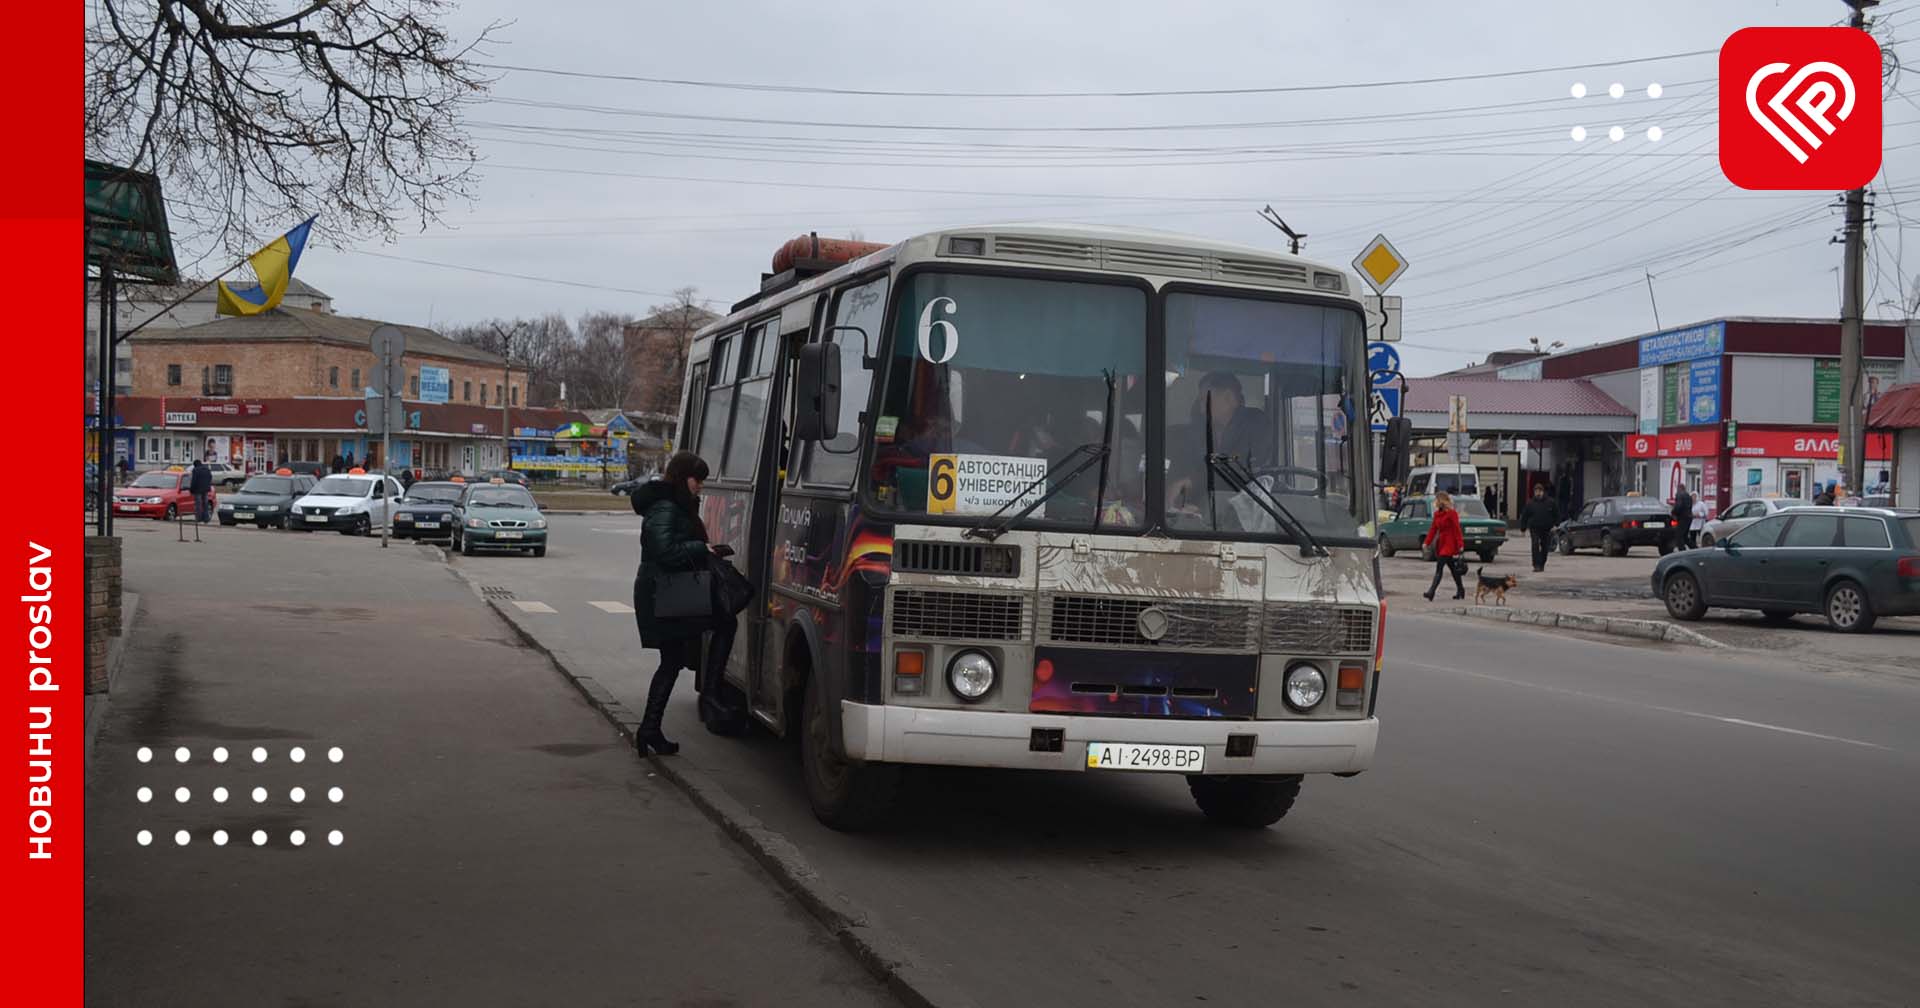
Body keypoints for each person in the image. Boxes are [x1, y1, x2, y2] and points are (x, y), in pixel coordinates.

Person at [630, 452, 734, 756]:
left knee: (672, 662)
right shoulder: (665, 505)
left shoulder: (675, 503)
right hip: (662, 594)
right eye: (697, 479)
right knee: (725, 622)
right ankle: (710, 693)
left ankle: (649, 730)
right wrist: (700, 547)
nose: (700, 485)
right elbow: (664, 550)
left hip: (668, 591)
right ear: (682, 477)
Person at [1169, 371, 1272, 510]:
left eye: (1204, 400)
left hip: (1244, 511)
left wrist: (1192, 481)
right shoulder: (1198, 432)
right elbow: (1184, 466)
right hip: (1200, 513)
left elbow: (1240, 466)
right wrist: (1179, 497)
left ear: (1228, 397)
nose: (1201, 409)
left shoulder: (1256, 423)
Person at [1423, 490, 1467, 601]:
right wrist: (1426, 543)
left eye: (1436, 500)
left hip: (1450, 543)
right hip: (1442, 543)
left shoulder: (1452, 513)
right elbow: (1433, 529)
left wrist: (1460, 544)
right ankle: (1461, 590)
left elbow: (1457, 530)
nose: (1434, 502)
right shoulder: (1437, 514)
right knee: (1453, 569)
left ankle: (1431, 592)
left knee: (1439, 567)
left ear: (1441, 501)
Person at [1518, 483, 1560, 573]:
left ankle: (1542, 564)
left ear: (1543, 492)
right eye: (1536, 491)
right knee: (1535, 545)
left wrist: (1556, 525)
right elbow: (1524, 516)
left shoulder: (1550, 502)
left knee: (1545, 547)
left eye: (1539, 491)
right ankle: (1536, 565)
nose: (1538, 493)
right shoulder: (1530, 503)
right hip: (1534, 528)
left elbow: (1556, 514)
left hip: (1546, 529)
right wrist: (1523, 529)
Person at [1668, 483, 1693, 553]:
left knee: (1679, 535)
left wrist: (1673, 512)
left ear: (1679, 488)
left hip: (1682, 517)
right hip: (1689, 517)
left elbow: (1678, 506)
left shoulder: (1679, 495)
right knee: (1685, 536)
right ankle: (1695, 548)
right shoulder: (1688, 495)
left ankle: (1682, 551)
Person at [188, 457, 214, 523]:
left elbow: (194, 481)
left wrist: (191, 489)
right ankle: (206, 518)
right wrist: (208, 486)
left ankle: (199, 518)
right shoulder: (207, 469)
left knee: (198, 505)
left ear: (195, 464)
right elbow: (210, 477)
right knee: (205, 504)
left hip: (197, 490)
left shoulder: (195, 470)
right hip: (206, 489)